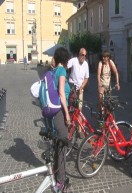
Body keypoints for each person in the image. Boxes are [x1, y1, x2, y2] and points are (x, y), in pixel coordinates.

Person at [52, 47, 71, 190]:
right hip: (60, 112)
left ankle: (55, 173)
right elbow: (61, 93)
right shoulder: (62, 71)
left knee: (57, 144)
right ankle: (61, 181)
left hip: (53, 112)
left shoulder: (52, 71)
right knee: (62, 145)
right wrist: (68, 114)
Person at [67, 48, 89, 138]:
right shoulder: (73, 60)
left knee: (79, 110)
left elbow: (86, 78)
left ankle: (79, 130)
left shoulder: (86, 64)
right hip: (72, 87)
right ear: (78, 54)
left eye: (85, 55)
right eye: (82, 55)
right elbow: (65, 66)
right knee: (70, 108)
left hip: (80, 89)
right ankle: (69, 125)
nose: (83, 57)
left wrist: (82, 86)